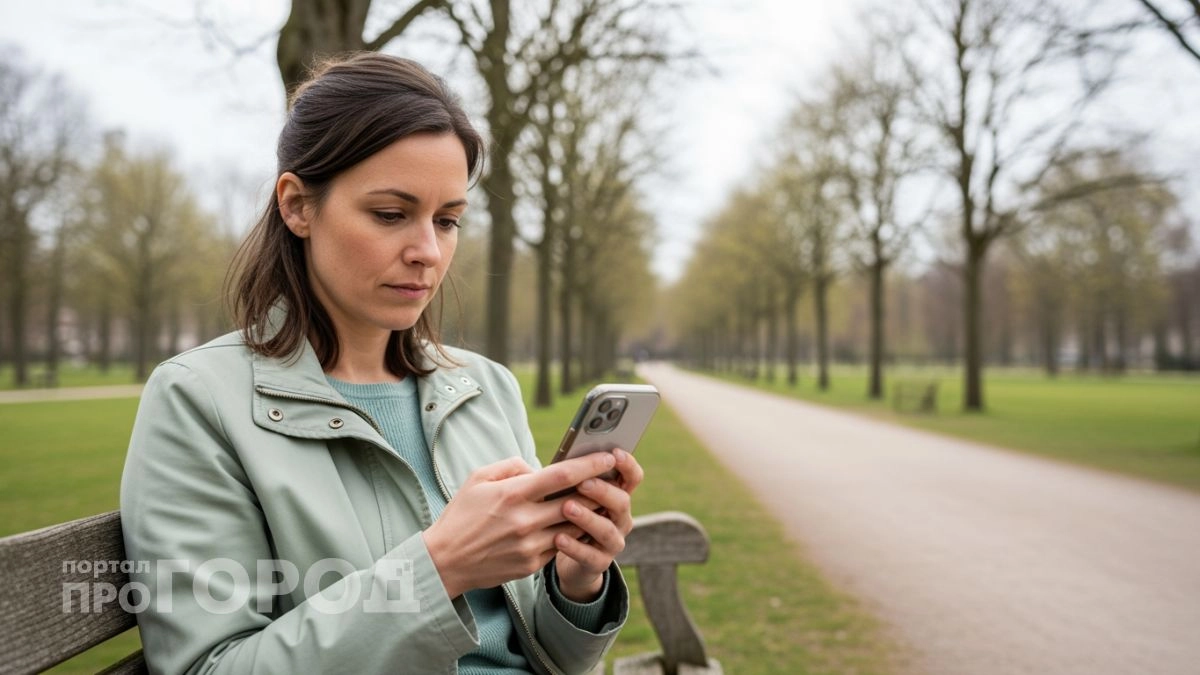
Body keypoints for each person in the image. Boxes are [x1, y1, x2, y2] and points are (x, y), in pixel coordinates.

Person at [120, 52, 643, 675]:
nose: (427, 251)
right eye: (391, 215)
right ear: (297, 205)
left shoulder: (486, 388)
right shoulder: (200, 400)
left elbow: (548, 659)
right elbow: (209, 667)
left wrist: (576, 581)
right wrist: (441, 565)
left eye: (447, 220)